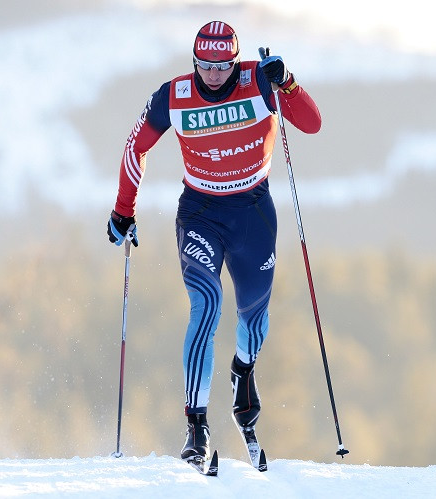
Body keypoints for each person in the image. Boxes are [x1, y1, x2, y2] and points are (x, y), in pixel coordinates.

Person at [107, 20, 321, 467]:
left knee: (254, 315)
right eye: (205, 66)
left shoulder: (260, 79)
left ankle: (242, 369)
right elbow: (135, 147)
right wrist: (123, 210)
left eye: (222, 66)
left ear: (235, 61)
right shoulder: (174, 95)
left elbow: (312, 125)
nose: (213, 75)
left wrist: (287, 83)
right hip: (201, 214)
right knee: (206, 304)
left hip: (254, 215)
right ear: (195, 61)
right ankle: (196, 426)